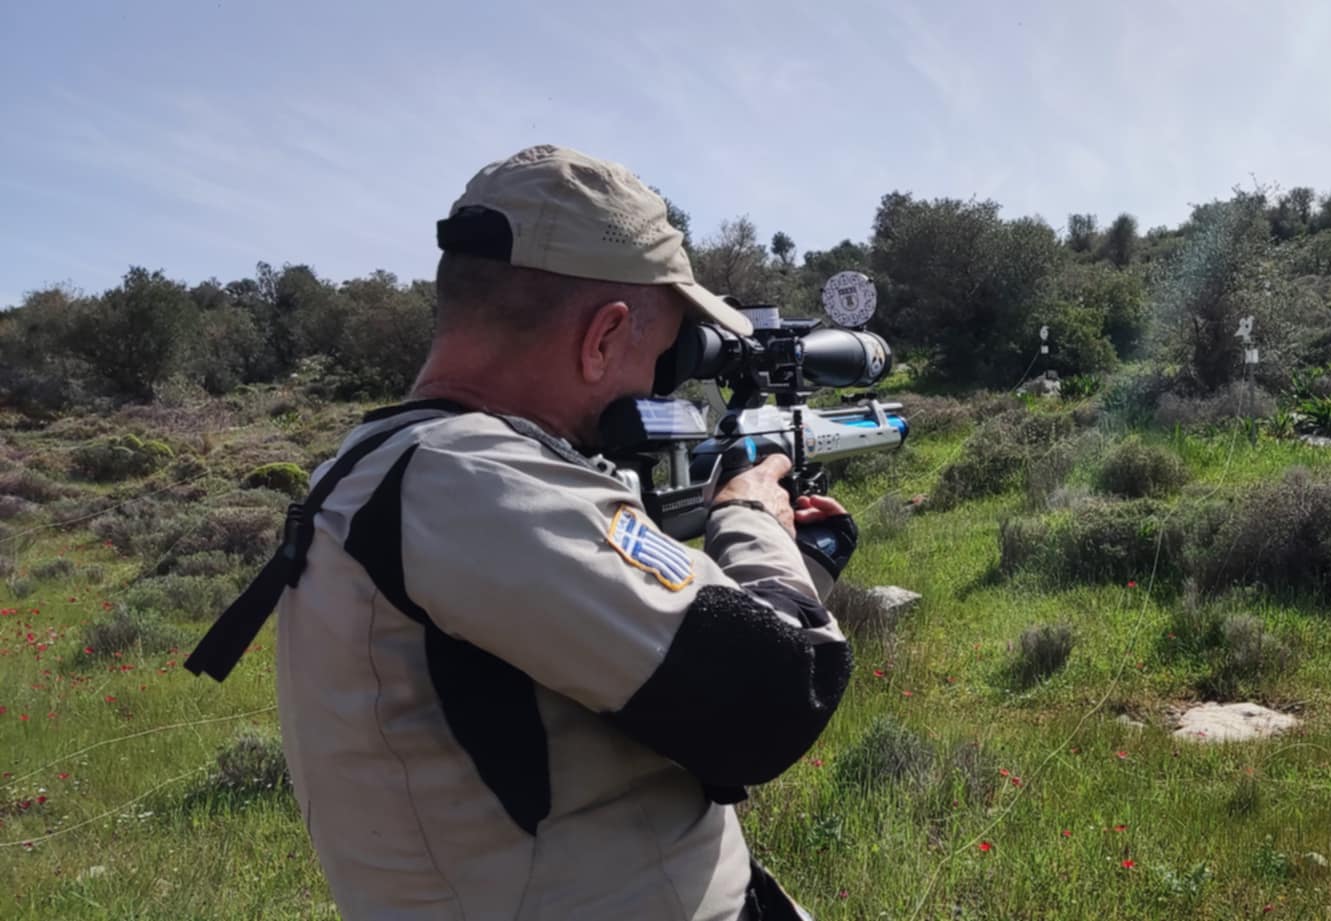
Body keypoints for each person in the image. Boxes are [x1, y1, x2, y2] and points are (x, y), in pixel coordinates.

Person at [184, 145, 854, 920]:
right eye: (660, 354)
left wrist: (786, 563)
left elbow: (635, 674)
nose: (657, 382)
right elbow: (776, 692)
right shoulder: (468, 481)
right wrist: (749, 517)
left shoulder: (394, 463)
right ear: (602, 337)